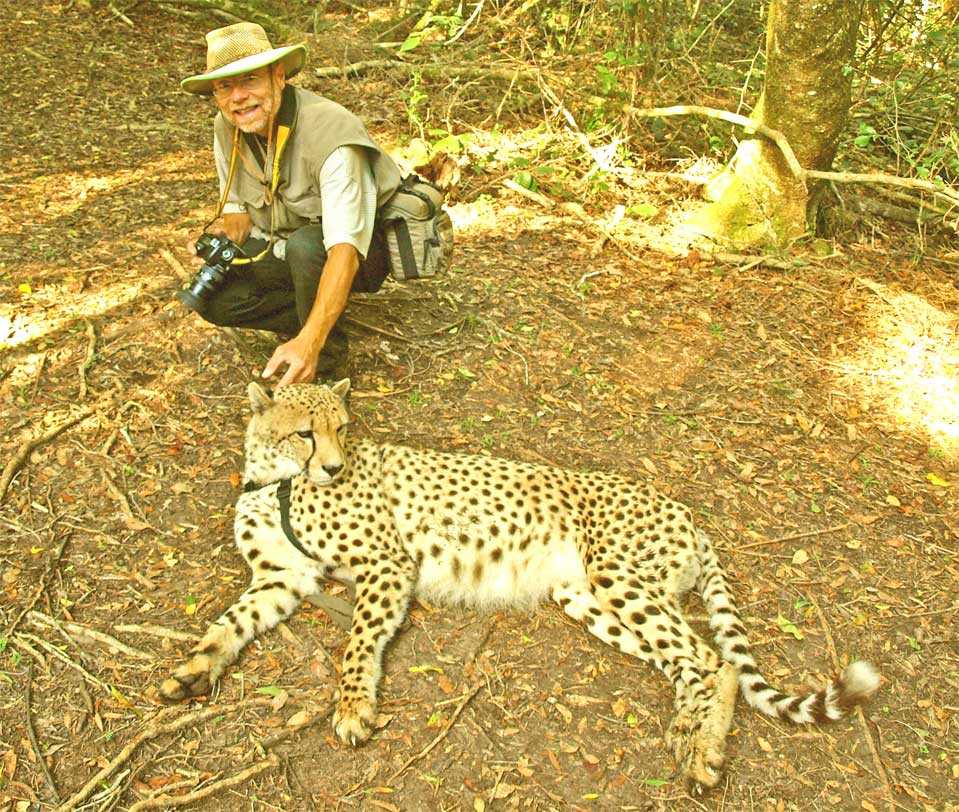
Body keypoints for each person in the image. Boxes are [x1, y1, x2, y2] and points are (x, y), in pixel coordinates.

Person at [180, 22, 403, 386]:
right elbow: (237, 213)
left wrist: (309, 343)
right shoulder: (228, 127)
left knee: (306, 247)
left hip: (356, 254)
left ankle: (323, 359)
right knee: (214, 300)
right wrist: (219, 240)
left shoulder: (331, 134)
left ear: (278, 77)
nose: (237, 97)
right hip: (281, 246)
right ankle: (313, 314)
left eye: (249, 80)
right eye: (224, 86)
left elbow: (344, 251)